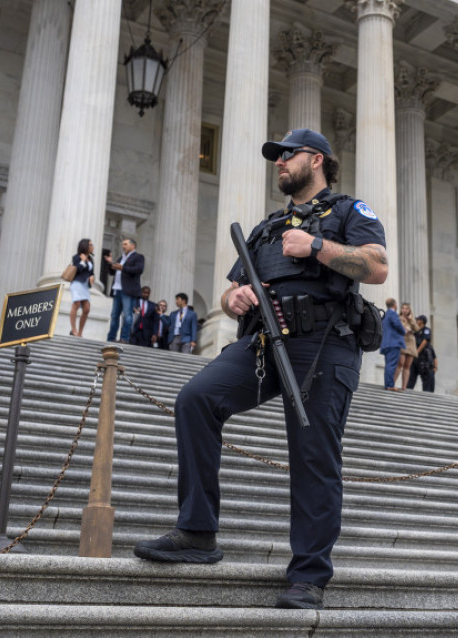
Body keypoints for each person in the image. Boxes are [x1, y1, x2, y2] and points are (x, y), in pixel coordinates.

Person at [133, 128, 387, 612]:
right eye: (277, 157)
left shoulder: (350, 212)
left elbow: (376, 268)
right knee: (196, 398)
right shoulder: (266, 228)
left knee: (313, 453)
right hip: (264, 341)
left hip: (323, 344)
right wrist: (236, 298)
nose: (279, 163)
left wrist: (316, 247)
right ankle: (198, 531)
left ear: (316, 160)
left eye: (287, 155)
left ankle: (308, 576)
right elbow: (231, 293)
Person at [107, 238, 145, 343]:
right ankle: (111, 338)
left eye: (125, 244)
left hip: (128, 290)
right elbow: (112, 273)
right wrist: (111, 264)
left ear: (133, 246)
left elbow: (138, 269)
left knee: (127, 315)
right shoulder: (120, 258)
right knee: (114, 315)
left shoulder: (138, 257)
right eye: (122, 244)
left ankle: (124, 338)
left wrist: (122, 268)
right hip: (117, 289)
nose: (123, 246)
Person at [68, 238, 95, 337]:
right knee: (76, 304)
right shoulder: (76, 257)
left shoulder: (91, 259)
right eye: (90, 245)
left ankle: (80, 332)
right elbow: (77, 269)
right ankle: (73, 330)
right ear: (85, 246)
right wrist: (83, 261)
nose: (92, 247)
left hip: (85, 285)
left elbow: (91, 272)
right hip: (76, 283)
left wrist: (92, 276)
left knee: (87, 308)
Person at [380, 298, 406, 390]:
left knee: (389, 364)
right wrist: (404, 331)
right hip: (393, 343)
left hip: (386, 343)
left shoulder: (385, 314)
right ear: (394, 304)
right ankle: (390, 385)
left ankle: (388, 384)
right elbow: (398, 325)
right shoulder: (392, 313)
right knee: (392, 364)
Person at [406, 314, 433, 391]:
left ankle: (427, 395)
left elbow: (424, 342)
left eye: (417, 320)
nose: (416, 321)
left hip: (423, 358)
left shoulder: (426, 330)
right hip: (415, 357)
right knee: (411, 376)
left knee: (426, 378)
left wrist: (416, 352)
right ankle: (408, 391)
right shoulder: (415, 331)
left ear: (421, 321)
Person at [396, 302, 419, 388]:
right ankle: (392, 383)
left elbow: (417, 329)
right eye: (403, 308)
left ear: (409, 310)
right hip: (402, 341)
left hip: (411, 343)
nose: (404, 310)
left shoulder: (411, 319)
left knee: (407, 366)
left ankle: (404, 386)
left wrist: (411, 320)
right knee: (400, 363)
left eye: (406, 309)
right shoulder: (398, 318)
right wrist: (406, 327)